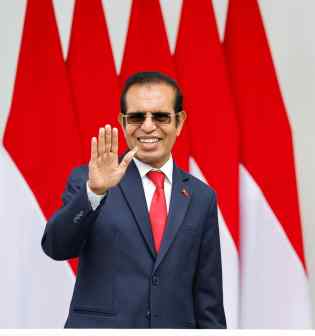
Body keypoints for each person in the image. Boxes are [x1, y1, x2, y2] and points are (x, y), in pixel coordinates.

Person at [42, 71, 226, 328]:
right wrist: (94, 193)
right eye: (137, 117)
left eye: (161, 116)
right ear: (122, 121)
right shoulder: (90, 180)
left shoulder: (201, 197)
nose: (148, 126)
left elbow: (209, 299)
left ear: (179, 122)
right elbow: (55, 247)